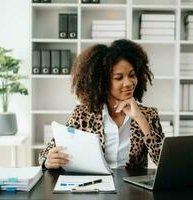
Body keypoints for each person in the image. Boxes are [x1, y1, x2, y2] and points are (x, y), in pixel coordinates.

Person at [39, 39, 164, 169]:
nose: (129, 83)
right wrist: (48, 161)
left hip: (132, 188)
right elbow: (46, 153)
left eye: (132, 75)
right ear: (103, 82)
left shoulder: (148, 115)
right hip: (95, 186)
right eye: (119, 78)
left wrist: (140, 118)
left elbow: (163, 162)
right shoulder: (83, 115)